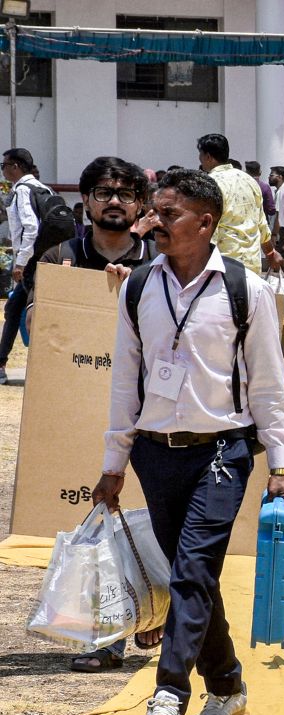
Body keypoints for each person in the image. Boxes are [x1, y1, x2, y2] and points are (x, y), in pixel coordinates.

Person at [93, 168, 284, 715]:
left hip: (222, 455)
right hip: (155, 459)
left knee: (192, 570)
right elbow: (124, 383)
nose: (153, 222)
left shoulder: (244, 290)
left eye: (168, 213)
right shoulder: (137, 287)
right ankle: (227, 687)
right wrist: (115, 462)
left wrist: (280, 464)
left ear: (206, 223)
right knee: (195, 577)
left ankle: (169, 693)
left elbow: (267, 387)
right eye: (153, 211)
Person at [38, 158, 157, 673]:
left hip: (149, 412)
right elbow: (35, 332)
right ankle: (102, 637)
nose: (115, 200)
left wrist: (137, 288)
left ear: (139, 206)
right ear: (85, 200)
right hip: (82, 411)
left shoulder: (159, 260)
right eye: (104, 191)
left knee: (150, 519)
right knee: (92, 523)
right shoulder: (61, 257)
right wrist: (59, 298)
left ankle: (154, 610)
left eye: (126, 193)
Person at [195, 134, 279, 276]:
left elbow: (207, 228)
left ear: (208, 157)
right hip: (251, 267)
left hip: (222, 267)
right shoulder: (249, 181)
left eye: (200, 155)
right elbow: (262, 225)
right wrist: (271, 254)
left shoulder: (209, 184)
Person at [0, 148, 49, 383]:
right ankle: (1, 362)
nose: (3, 170)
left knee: (33, 315)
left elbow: (31, 229)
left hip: (30, 265)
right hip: (46, 261)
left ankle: (41, 366)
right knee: (13, 309)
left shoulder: (22, 190)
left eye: (4, 165)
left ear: (16, 166)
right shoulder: (44, 189)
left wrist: (20, 263)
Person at [245, 161, 276, 232]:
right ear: (260, 172)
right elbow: (271, 210)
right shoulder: (265, 187)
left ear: (246, 172)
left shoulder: (241, 185)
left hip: (244, 225)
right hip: (261, 225)